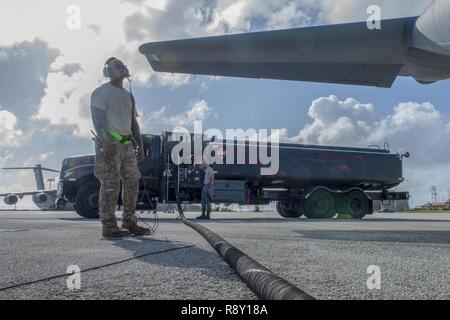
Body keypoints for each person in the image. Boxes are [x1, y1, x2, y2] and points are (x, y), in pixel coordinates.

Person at [90, 57, 150, 238]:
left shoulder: (128, 96)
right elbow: (98, 120)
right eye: (116, 66)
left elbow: (133, 122)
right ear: (107, 71)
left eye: (123, 66)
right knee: (110, 183)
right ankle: (108, 225)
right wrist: (105, 142)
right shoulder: (101, 92)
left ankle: (129, 222)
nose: (121, 68)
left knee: (132, 181)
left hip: (126, 144)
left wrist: (139, 143)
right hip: (110, 143)